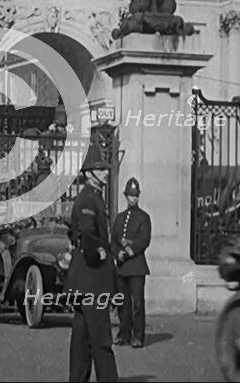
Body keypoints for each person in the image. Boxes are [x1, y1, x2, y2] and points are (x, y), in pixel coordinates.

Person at [65, 148, 119, 382]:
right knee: (100, 338)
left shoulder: (92, 196)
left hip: (83, 280)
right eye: (99, 169)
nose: (105, 173)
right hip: (93, 278)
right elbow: (86, 232)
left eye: (105, 169)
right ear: (88, 173)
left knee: (82, 335)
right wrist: (97, 252)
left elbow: (74, 231)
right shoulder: (89, 198)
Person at [111, 177, 152, 349]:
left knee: (137, 304)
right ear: (125, 196)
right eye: (130, 195)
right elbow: (113, 240)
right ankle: (123, 334)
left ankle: (138, 336)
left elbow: (144, 240)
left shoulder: (144, 217)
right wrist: (117, 253)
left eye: (135, 196)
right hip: (122, 267)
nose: (133, 199)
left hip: (136, 266)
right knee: (122, 303)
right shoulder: (120, 218)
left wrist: (130, 250)